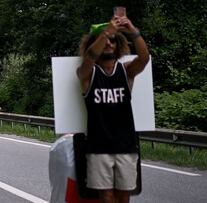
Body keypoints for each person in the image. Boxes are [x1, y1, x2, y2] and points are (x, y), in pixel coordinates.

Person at [77, 13, 149, 203]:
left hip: (125, 144)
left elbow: (144, 58)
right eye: (105, 41)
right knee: (106, 196)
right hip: (98, 146)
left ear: (118, 46)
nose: (109, 43)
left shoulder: (125, 71)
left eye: (113, 41)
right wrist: (106, 32)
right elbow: (90, 58)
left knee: (124, 196)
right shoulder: (87, 73)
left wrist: (133, 31)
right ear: (95, 44)